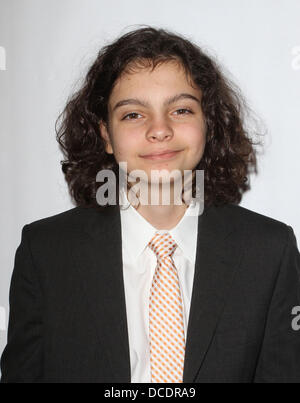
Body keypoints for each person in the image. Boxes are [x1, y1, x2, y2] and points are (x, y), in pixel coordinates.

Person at [1, 26, 300, 383]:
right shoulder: (46, 252)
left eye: (182, 110)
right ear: (105, 135)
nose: (159, 129)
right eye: (133, 114)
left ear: (209, 124)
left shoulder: (270, 252)